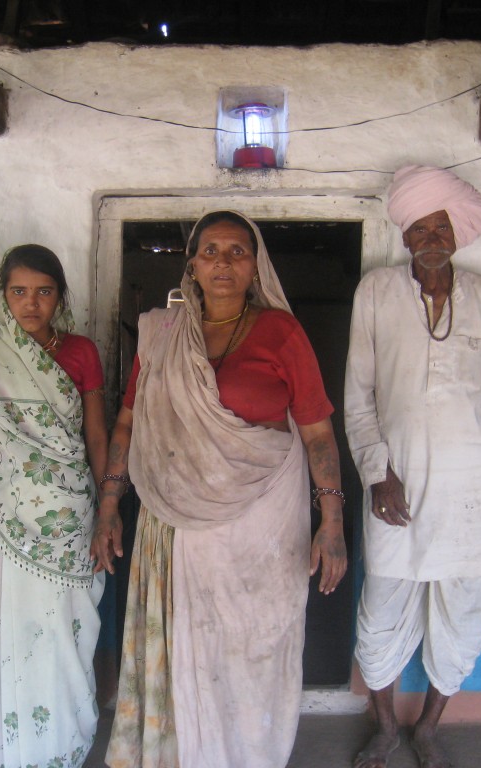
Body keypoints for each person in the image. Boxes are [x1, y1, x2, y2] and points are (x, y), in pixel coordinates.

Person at [92, 210, 348, 768]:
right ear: (192, 264)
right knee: (185, 645)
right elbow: (129, 424)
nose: (223, 263)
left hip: (263, 529)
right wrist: (109, 503)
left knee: (254, 648)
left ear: (256, 265)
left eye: (237, 251)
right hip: (176, 523)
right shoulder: (161, 332)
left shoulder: (283, 332)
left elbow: (318, 432)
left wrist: (332, 522)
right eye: (211, 251)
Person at [344, 165, 481, 768]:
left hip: (476, 489)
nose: (431, 236)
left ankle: (429, 729)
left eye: (440, 224)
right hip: (399, 481)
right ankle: (387, 728)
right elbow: (358, 394)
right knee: (383, 607)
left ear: (455, 231)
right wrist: (375, 474)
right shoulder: (377, 292)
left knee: (466, 611)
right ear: (406, 236)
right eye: (419, 227)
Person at [0, 244, 108, 768]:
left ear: (60, 296)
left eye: (44, 292)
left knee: (62, 634)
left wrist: (108, 511)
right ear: (2, 295)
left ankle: (55, 749)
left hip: (69, 518)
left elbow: (97, 437)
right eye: (19, 291)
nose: (31, 303)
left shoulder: (81, 352)